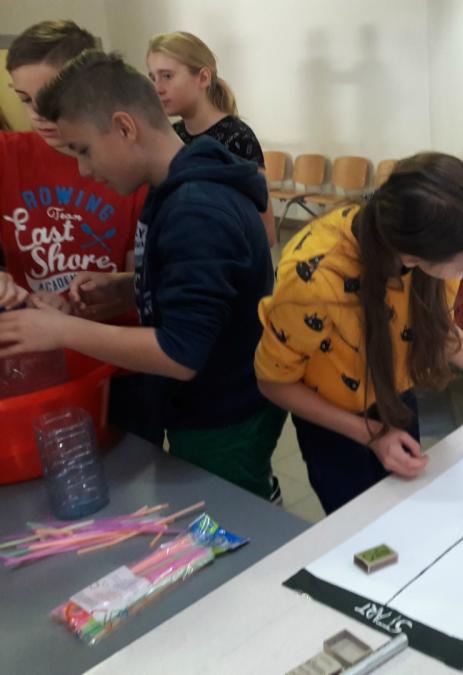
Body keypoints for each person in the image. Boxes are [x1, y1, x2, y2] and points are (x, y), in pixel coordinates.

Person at [0, 51, 284, 500]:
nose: (84, 170)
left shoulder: (197, 210)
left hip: (223, 415)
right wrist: (128, 288)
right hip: (202, 406)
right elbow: (203, 293)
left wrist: (60, 331)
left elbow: (181, 354)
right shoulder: (170, 187)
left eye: (83, 150)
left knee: (234, 515)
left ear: (124, 127)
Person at [255, 152, 463, 514]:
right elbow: (273, 383)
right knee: (361, 525)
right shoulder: (312, 280)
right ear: (414, 255)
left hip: (395, 399)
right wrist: (371, 435)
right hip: (333, 422)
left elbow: (442, 331)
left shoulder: (421, 261)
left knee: (406, 511)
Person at [0, 20, 146, 314]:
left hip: (110, 337)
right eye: (25, 99)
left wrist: (76, 308)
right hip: (29, 335)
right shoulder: (6, 152)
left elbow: (140, 288)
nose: (37, 113)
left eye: (51, 97)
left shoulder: (132, 167)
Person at [146, 31, 275, 245]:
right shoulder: (171, 135)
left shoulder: (237, 136)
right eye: (153, 77)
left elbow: (265, 232)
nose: (157, 88)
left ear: (203, 78)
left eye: (167, 76)